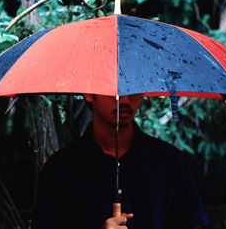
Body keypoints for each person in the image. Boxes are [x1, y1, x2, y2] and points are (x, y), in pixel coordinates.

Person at [32, 94, 208, 229]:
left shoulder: (169, 162)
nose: (124, 99)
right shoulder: (61, 168)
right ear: (89, 94)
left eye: (132, 89)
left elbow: (192, 222)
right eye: (112, 91)